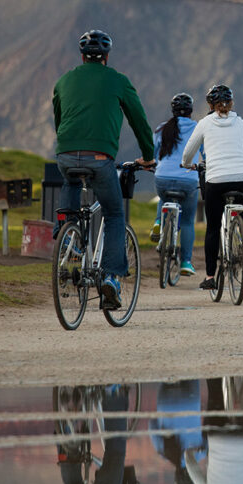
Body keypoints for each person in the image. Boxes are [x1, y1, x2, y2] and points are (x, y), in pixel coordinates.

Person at [52, 29, 155, 310]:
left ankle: (67, 234)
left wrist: (68, 146)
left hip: (66, 154)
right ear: (106, 57)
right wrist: (148, 156)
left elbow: (59, 118)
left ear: (82, 56)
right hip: (100, 158)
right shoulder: (118, 81)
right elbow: (139, 121)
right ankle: (110, 277)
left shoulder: (63, 81)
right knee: (113, 213)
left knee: (71, 182)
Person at [181, 84, 243, 291]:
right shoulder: (240, 122)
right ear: (231, 103)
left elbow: (189, 152)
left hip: (216, 181)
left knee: (213, 227)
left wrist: (187, 164)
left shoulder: (205, 123)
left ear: (210, 105)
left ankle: (210, 276)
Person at [185, 376, 243, 484]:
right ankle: (216, 382)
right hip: (218, 439)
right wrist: (190, 452)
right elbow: (191, 465)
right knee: (214, 410)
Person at [149, 92, 200, 277]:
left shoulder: (162, 128)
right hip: (188, 180)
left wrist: (154, 164)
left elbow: (153, 153)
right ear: (191, 111)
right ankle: (186, 261)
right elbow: (205, 153)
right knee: (187, 221)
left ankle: (158, 222)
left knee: (164, 195)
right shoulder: (198, 128)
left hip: (162, 177)